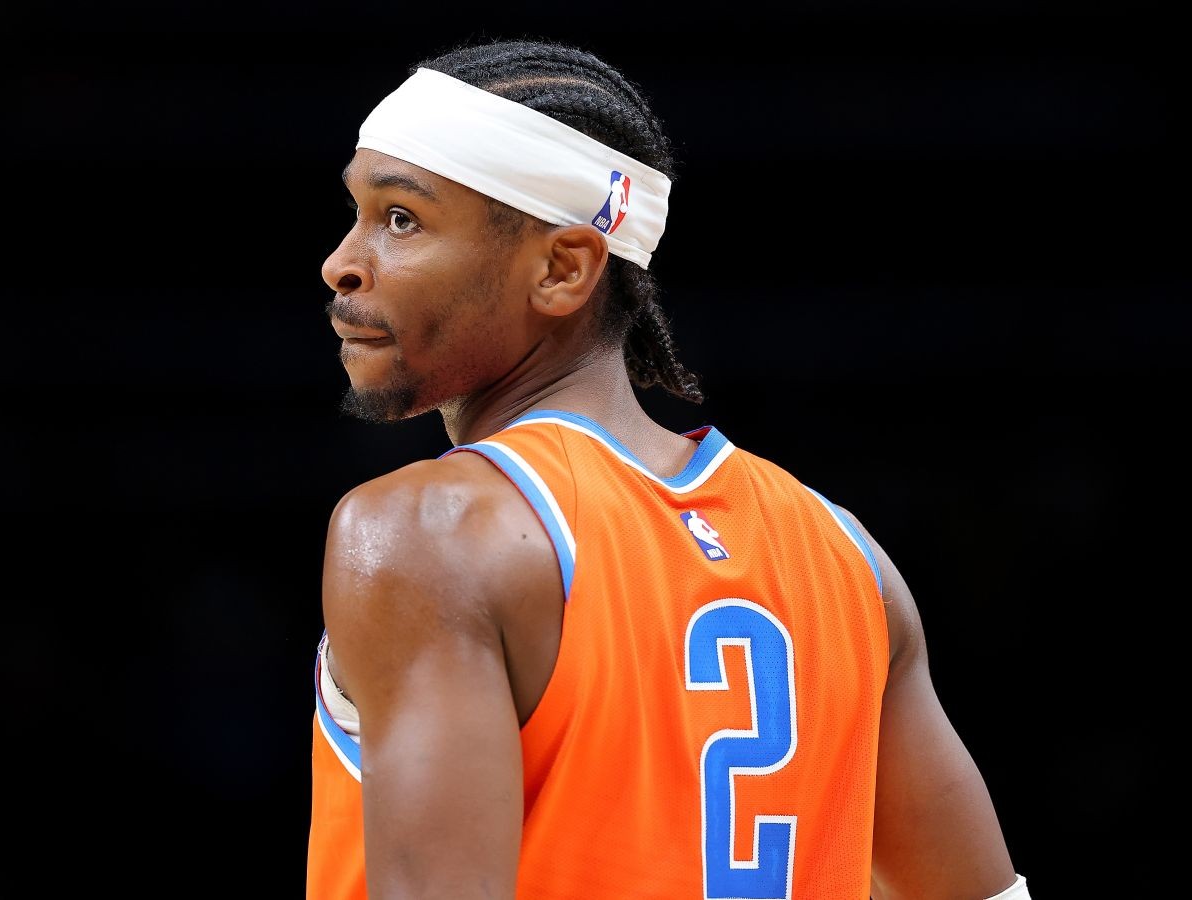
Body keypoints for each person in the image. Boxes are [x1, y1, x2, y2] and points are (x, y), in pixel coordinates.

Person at [307, 38, 1028, 900]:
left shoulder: (427, 532)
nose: (341, 262)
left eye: (400, 219)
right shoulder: (847, 556)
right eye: (356, 211)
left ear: (563, 269)